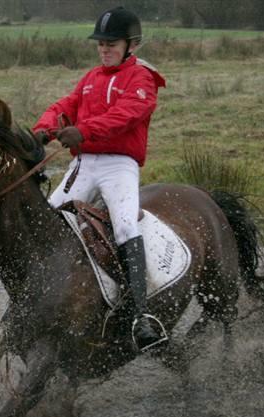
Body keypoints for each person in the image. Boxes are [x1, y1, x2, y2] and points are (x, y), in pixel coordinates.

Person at [33, 6, 167, 352]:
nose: (104, 49)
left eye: (111, 43)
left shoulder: (142, 79)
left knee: (124, 226)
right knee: (48, 218)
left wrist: (83, 130)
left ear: (130, 44)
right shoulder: (92, 77)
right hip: (86, 162)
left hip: (119, 164)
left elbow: (125, 115)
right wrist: (44, 129)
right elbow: (66, 105)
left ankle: (141, 316)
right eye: (101, 44)